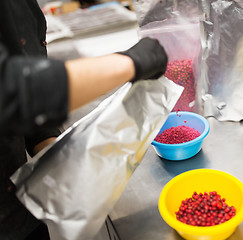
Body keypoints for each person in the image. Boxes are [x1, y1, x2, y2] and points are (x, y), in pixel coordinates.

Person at [0, 1, 168, 239]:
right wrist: (130, 62)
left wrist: (47, 143)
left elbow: (22, 49)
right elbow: (12, 88)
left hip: (18, 205)